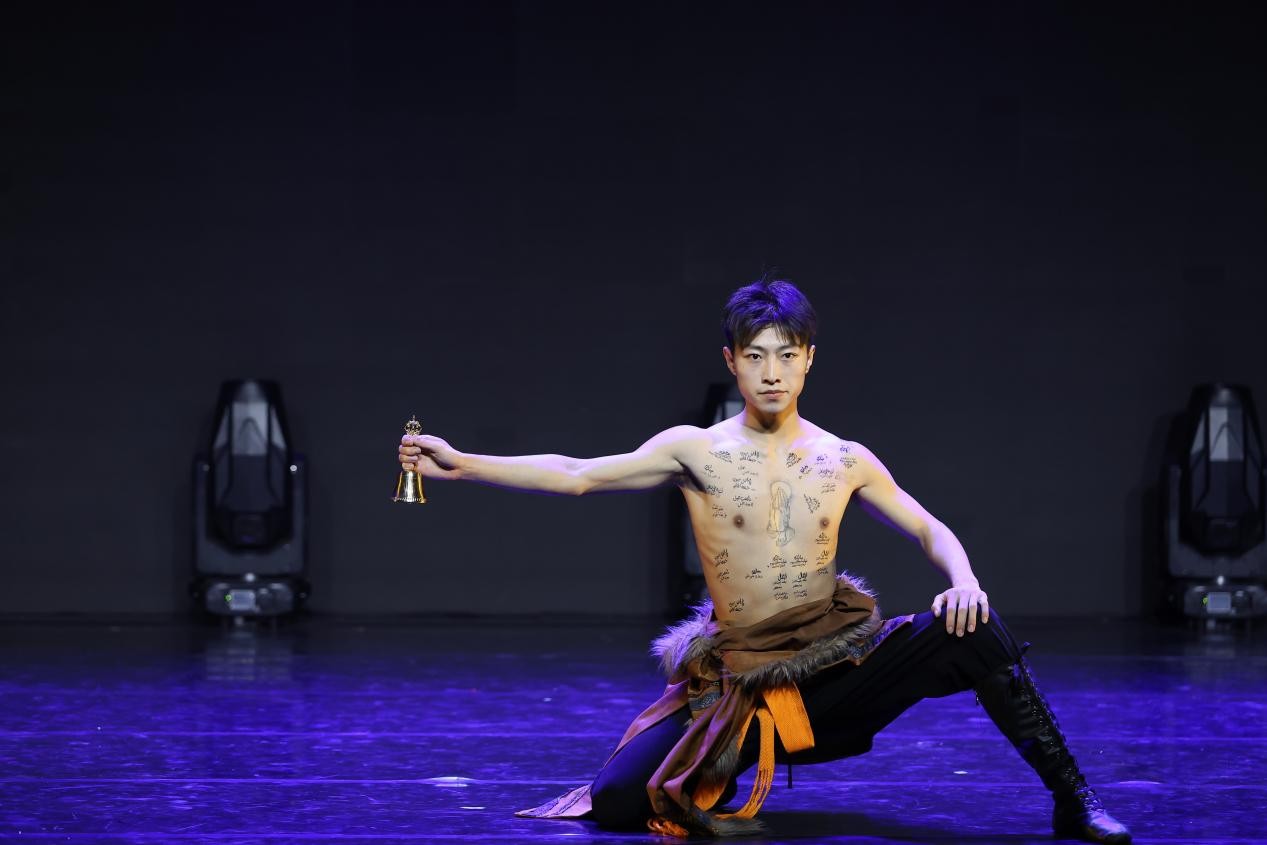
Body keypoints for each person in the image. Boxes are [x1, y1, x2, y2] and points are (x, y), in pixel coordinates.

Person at [396, 278, 1131, 843]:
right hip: (743, 685)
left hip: (836, 673)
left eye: (786, 354)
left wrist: (963, 581)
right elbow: (578, 473)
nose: (771, 372)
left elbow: (928, 527)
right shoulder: (696, 449)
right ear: (731, 362)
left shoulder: (844, 457)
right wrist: (464, 463)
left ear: (808, 358)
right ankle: (726, 760)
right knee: (619, 801)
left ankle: (1073, 798)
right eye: (754, 356)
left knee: (977, 627)